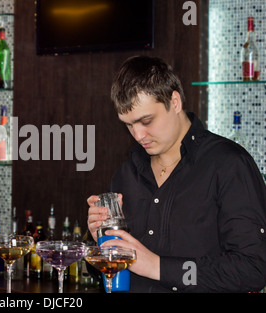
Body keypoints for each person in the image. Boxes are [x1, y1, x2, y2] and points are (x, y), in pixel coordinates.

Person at [87, 56, 266, 292]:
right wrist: (99, 240)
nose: (138, 135)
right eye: (129, 125)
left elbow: (254, 269)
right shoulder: (126, 173)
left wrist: (157, 266)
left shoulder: (229, 164)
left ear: (175, 101)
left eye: (146, 121)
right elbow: (104, 272)